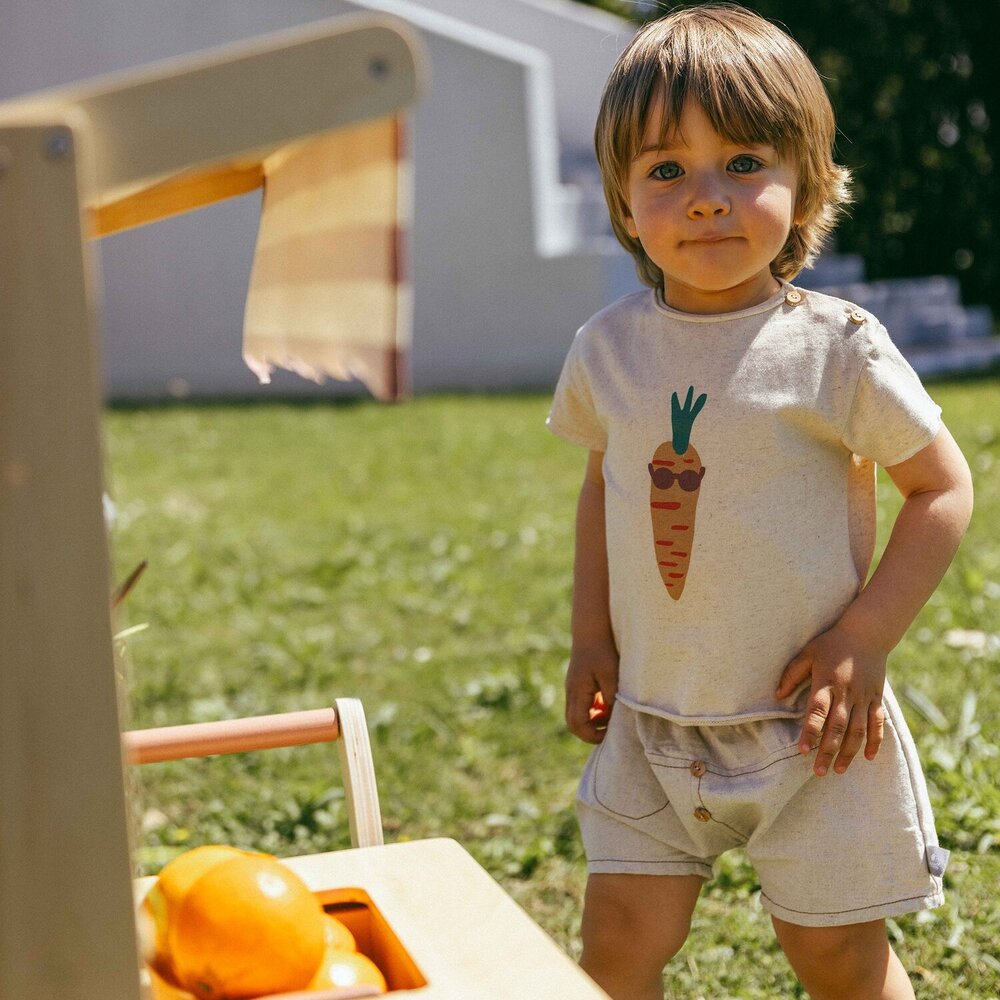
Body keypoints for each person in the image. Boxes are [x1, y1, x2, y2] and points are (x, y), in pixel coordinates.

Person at [546, 6, 975, 999]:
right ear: (621, 195)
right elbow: (599, 487)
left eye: (742, 163)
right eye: (665, 170)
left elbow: (941, 486)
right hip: (652, 723)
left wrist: (866, 637)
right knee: (615, 941)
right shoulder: (605, 349)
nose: (705, 200)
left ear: (806, 182)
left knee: (834, 958)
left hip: (810, 728)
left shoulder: (834, 346)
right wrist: (589, 636)